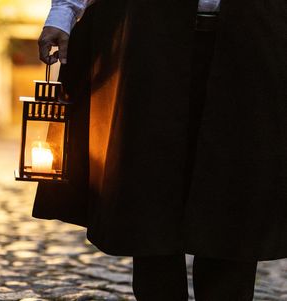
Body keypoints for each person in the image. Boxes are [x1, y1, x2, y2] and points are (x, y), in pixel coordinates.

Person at [33, 0, 287, 300]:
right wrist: (64, 12)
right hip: (148, 38)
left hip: (254, 39)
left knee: (237, 189)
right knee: (149, 186)